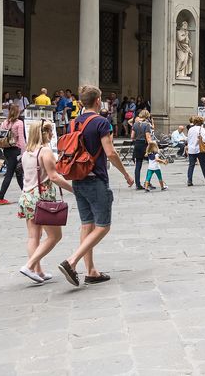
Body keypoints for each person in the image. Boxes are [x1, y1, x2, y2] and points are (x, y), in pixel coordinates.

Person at [58, 85, 134, 287]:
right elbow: (110, 152)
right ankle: (72, 261)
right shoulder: (101, 122)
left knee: (87, 224)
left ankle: (91, 271)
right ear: (98, 100)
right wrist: (126, 173)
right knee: (103, 226)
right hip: (95, 178)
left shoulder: (73, 123)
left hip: (77, 178)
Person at [18, 120, 74, 284]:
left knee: (33, 236)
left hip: (27, 196)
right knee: (55, 236)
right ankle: (29, 266)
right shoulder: (45, 151)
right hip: (41, 198)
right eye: (50, 132)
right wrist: (73, 190)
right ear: (44, 133)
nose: (52, 135)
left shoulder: (27, 152)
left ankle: (38, 272)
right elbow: (54, 177)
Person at [0, 103, 26, 205]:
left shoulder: (4, 123)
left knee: (18, 173)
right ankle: (0, 198)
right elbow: (21, 139)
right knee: (10, 174)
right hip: (15, 150)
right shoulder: (19, 123)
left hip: (6, 150)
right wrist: (24, 153)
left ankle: (25, 194)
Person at [185, 115, 205, 187]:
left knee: (191, 165)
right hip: (200, 149)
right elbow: (204, 139)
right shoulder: (202, 129)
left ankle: (189, 180)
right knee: (203, 165)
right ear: (201, 122)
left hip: (191, 149)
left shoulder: (190, 129)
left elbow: (188, 139)